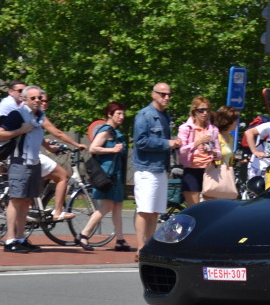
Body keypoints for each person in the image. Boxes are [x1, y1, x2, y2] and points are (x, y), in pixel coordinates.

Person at [0, 85, 47, 252]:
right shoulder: (17, 114)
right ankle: (10, 240)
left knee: (26, 200)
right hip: (19, 162)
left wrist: (50, 147)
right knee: (16, 200)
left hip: (34, 162)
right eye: (33, 98)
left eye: (39, 97)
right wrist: (19, 130)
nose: (37, 100)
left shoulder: (39, 116)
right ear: (24, 99)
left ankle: (21, 237)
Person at [132, 83, 183, 251]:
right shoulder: (145, 115)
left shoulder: (165, 116)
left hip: (161, 168)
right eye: (162, 94)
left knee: (155, 211)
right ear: (153, 94)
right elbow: (141, 141)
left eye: (169, 94)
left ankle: (149, 246)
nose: (167, 97)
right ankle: (140, 246)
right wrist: (167, 143)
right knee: (145, 209)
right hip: (147, 169)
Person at [79, 101, 133, 251]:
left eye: (123, 113)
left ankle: (120, 240)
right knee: (107, 206)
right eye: (118, 113)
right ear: (110, 115)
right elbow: (93, 148)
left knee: (118, 206)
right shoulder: (106, 130)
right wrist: (113, 150)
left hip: (115, 175)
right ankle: (84, 234)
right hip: (107, 175)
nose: (122, 116)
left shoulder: (114, 132)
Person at [35, 92, 87, 222]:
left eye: (47, 101)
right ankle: (58, 212)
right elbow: (57, 133)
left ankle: (34, 208)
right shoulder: (38, 116)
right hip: (32, 156)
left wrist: (53, 148)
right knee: (63, 176)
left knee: (39, 181)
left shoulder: (30, 116)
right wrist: (76, 144)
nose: (44, 103)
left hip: (25, 156)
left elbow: (40, 140)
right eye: (41, 100)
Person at [178, 96, 220, 206]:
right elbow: (182, 151)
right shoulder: (186, 128)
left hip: (209, 171)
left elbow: (218, 152)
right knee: (193, 208)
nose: (205, 113)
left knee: (210, 208)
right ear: (194, 111)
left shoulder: (213, 130)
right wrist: (198, 142)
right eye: (201, 110)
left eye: (207, 110)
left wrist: (215, 153)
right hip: (192, 169)